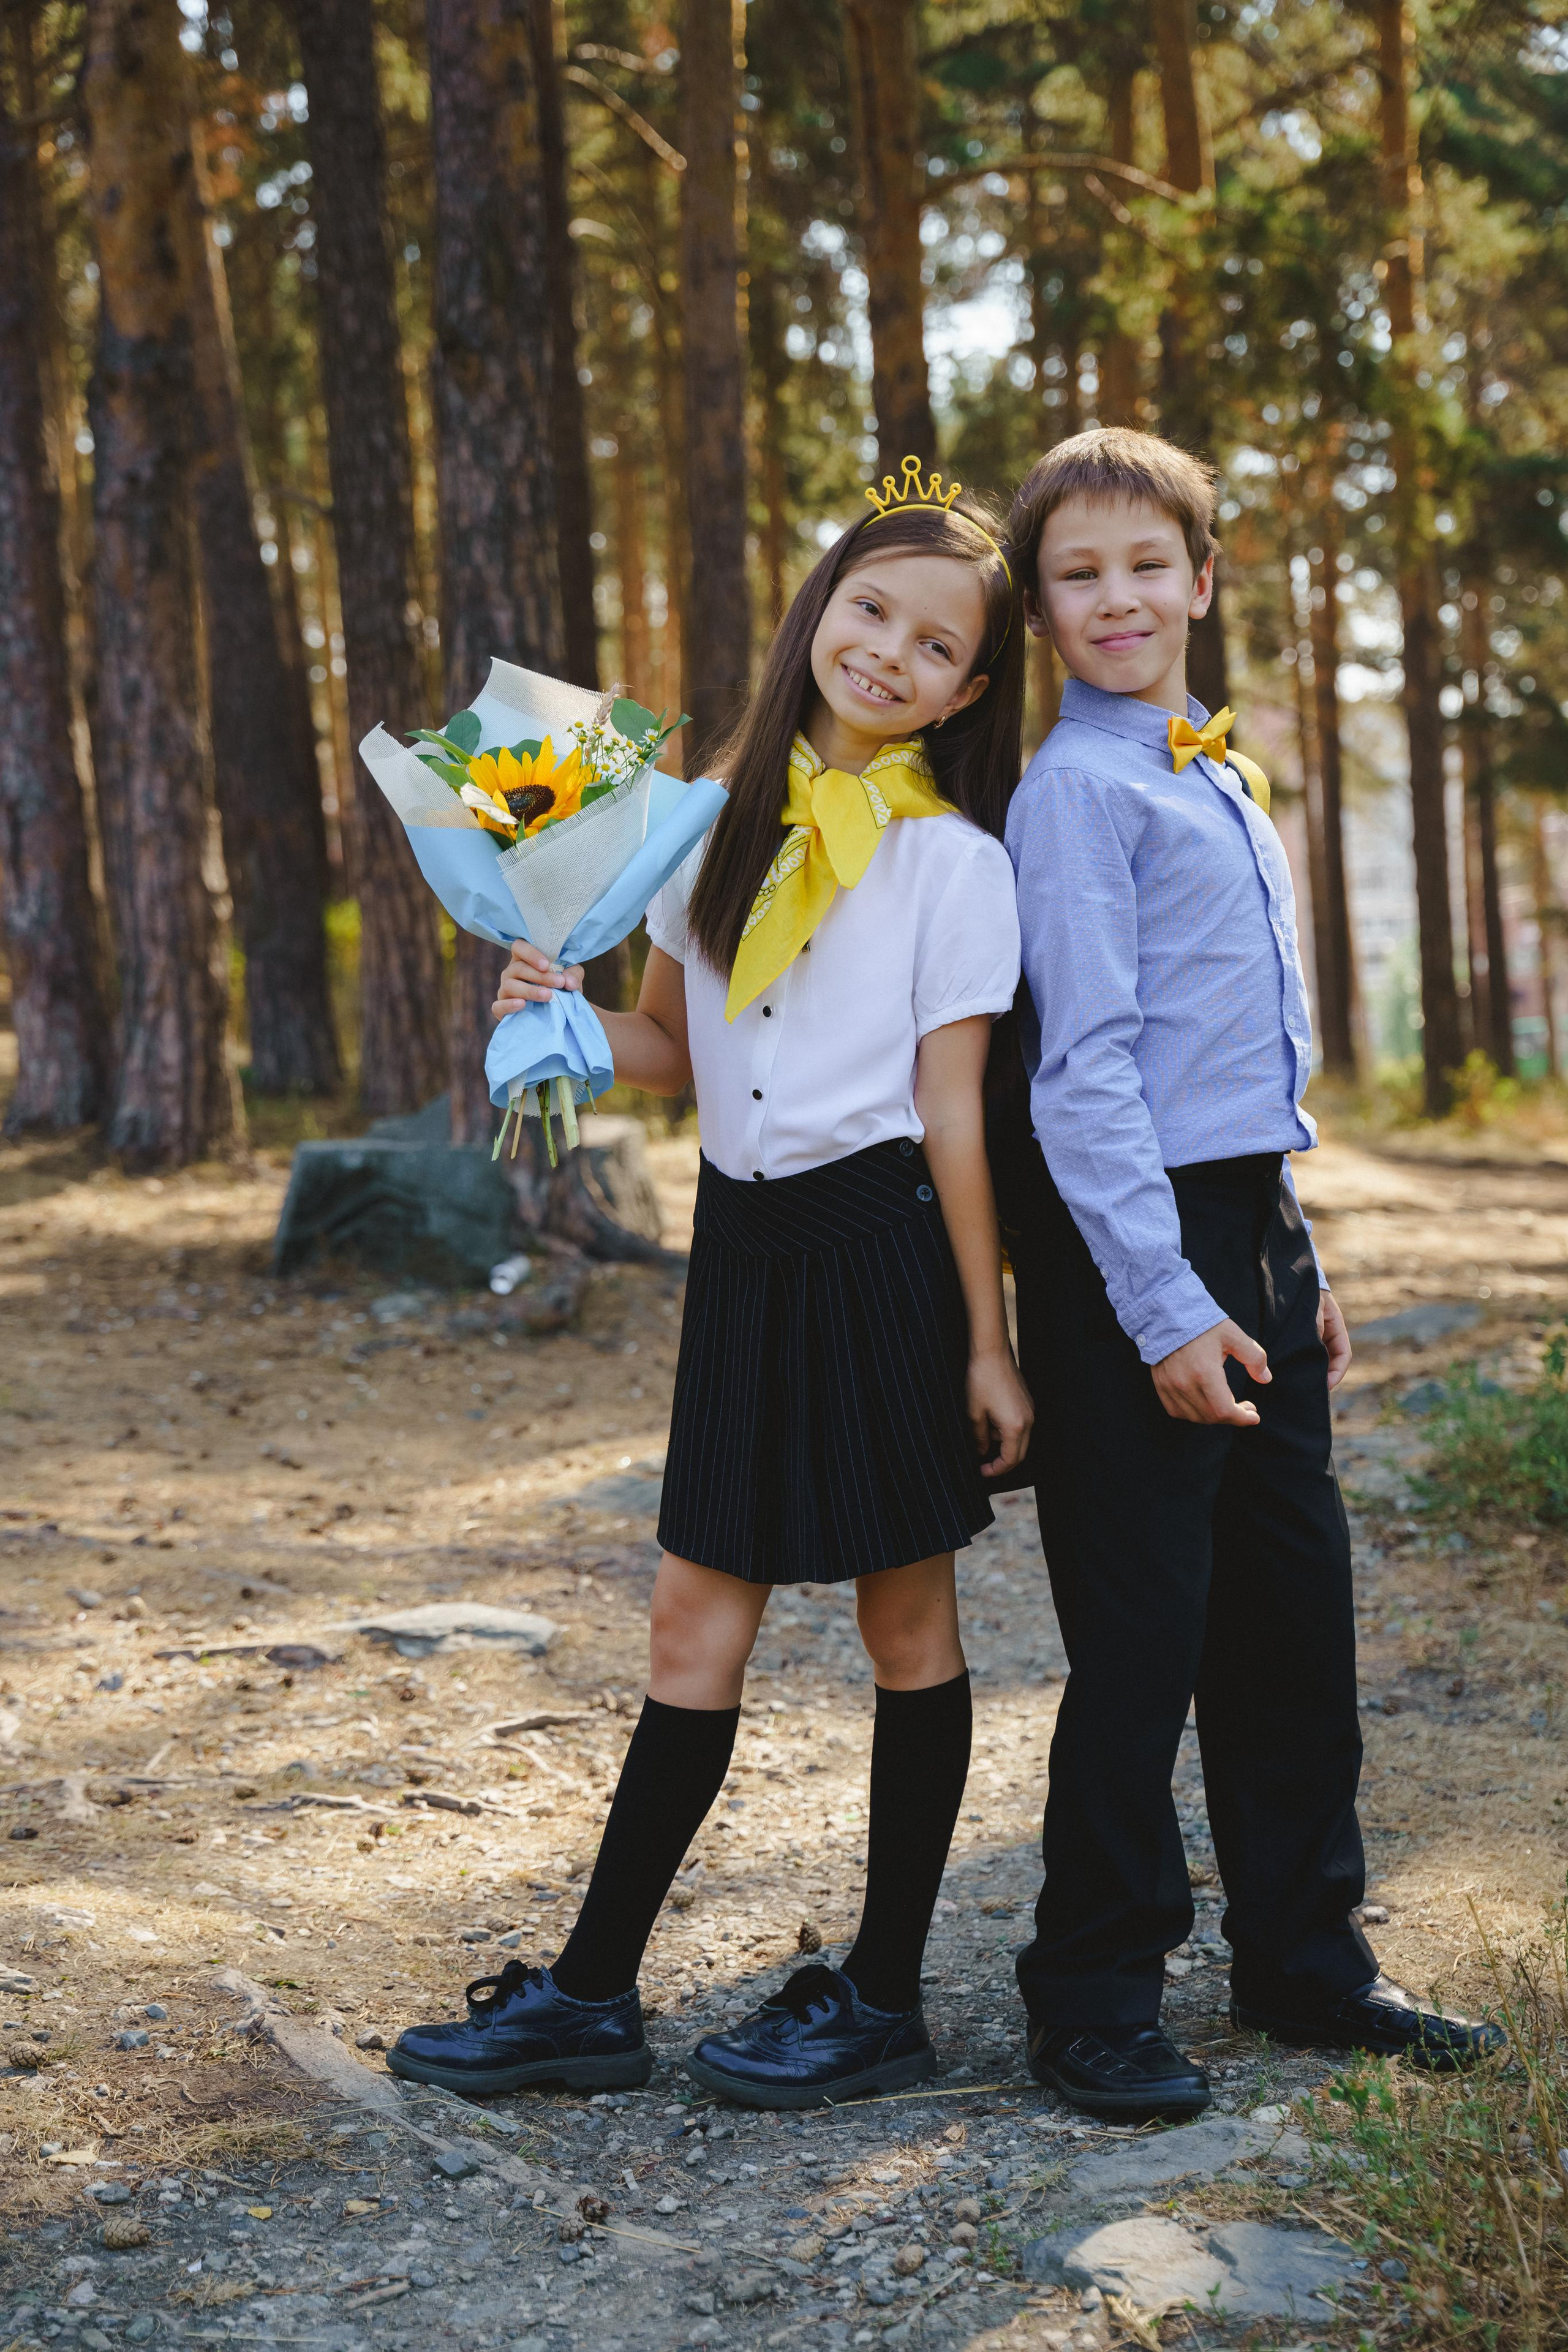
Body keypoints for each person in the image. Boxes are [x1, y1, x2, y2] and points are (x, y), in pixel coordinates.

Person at [388, 459, 1033, 2110]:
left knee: (906, 1619)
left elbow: (954, 1111)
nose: (888, 651)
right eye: (869, 607)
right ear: (820, 610)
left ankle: (885, 1997)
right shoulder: (698, 823)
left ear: (968, 690)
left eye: (933, 642)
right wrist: (563, 1001)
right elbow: (676, 1052)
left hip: (882, 1245)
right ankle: (593, 1994)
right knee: (694, 1614)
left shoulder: (954, 864)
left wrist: (990, 1340)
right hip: (743, 1249)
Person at [1000, 426, 1503, 2120]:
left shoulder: (1212, 768)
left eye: (1149, 565)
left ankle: (1308, 1959)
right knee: (1147, 1634)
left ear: (1204, 582)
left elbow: (1242, 1056)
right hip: (1130, 1245)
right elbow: (1087, 1075)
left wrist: (1300, 1261)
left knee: (1294, 1615)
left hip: (1250, 1228)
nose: (1118, 596)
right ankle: (1092, 1993)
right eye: (1080, 574)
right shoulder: (1071, 793)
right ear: (1044, 613)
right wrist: (1169, 1305)